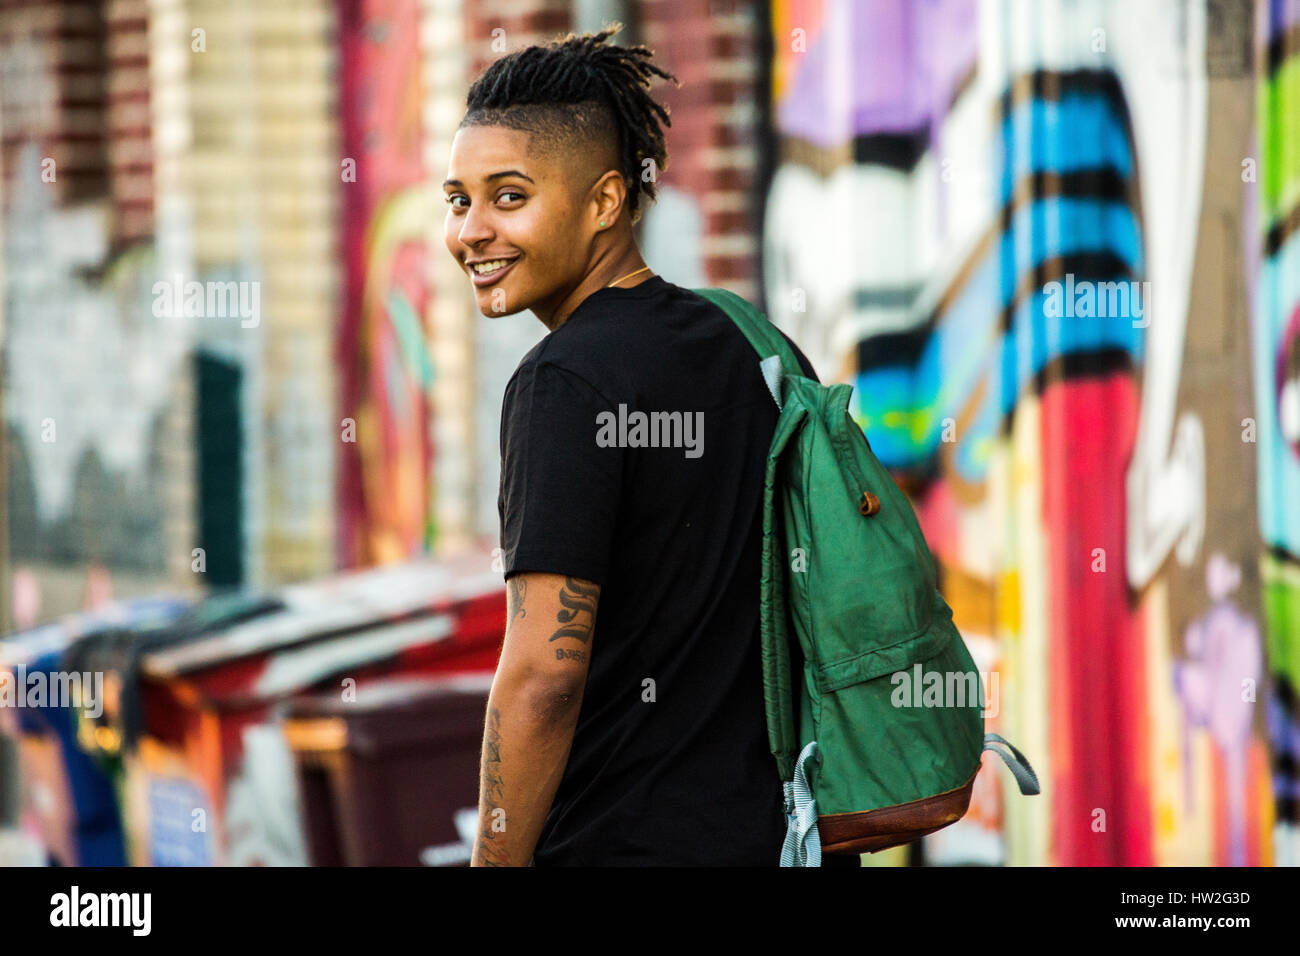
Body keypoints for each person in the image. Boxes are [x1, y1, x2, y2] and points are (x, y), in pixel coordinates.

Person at [444, 23, 830, 866]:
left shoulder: (562, 384)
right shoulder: (756, 347)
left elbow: (544, 676)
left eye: (509, 196)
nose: (470, 230)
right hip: (790, 840)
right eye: (458, 199)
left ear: (606, 202)